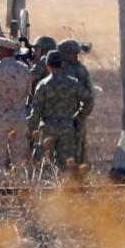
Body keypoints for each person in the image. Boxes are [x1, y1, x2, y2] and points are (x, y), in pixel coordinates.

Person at [29, 50, 91, 180]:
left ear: (47, 65)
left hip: (47, 128)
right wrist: (79, 116)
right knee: (68, 165)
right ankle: (68, 194)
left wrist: (31, 130)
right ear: (62, 64)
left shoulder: (43, 85)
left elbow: (36, 111)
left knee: (45, 165)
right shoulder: (73, 83)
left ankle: (47, 193)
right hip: (68, 127)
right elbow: (88, 99)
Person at [0, 37, 33, 183]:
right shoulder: (25, 69)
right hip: (19, 119)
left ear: (4, 51)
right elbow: (27, 93)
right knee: (19, 159)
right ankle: (21, 191)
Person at [57, 38, 94, 166]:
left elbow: (89, 97)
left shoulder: (79, 71)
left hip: (74, 119)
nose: (76, 57)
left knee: (78, 150)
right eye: (74, 54)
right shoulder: (61, 69)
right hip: (60, 119)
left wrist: (81, 115)